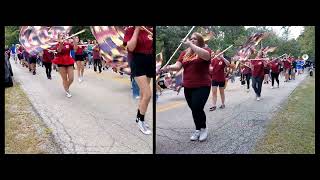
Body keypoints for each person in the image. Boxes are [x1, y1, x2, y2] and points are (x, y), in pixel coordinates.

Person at [162, 32, 211, 141]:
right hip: (188, 85)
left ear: (200, 41)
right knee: (194, 109)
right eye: (191, 39)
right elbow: (177, 66)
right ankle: (197, 129)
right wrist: (167, 67)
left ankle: (203, 128)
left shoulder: (206, 51)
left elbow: (206, 56)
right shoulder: (184, 53)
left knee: (197, 107)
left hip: (202, 85)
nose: (192, 40)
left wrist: (190, 44)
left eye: (195, 39)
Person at [124, 26, 153, 135]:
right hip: (137, 60)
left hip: (149, 61)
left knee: (142, 95)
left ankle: (138, 116)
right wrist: (136, 29)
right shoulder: (130, 30)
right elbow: (130, 48)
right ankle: (141, 121)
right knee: (147, 94)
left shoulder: (149, 29)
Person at [52, 33, 75, 98]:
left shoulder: (68, 44)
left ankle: (66, 87)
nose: (63, 37)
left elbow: (75, 49)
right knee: (64, 78)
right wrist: (61, 43)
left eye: (63, 36)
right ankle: (67, 90)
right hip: (60, 62)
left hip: (69, 61)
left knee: (71, 78)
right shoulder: (56, 45)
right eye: (61, 36)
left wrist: (74, 41)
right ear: (58, 38)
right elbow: (59, 50)